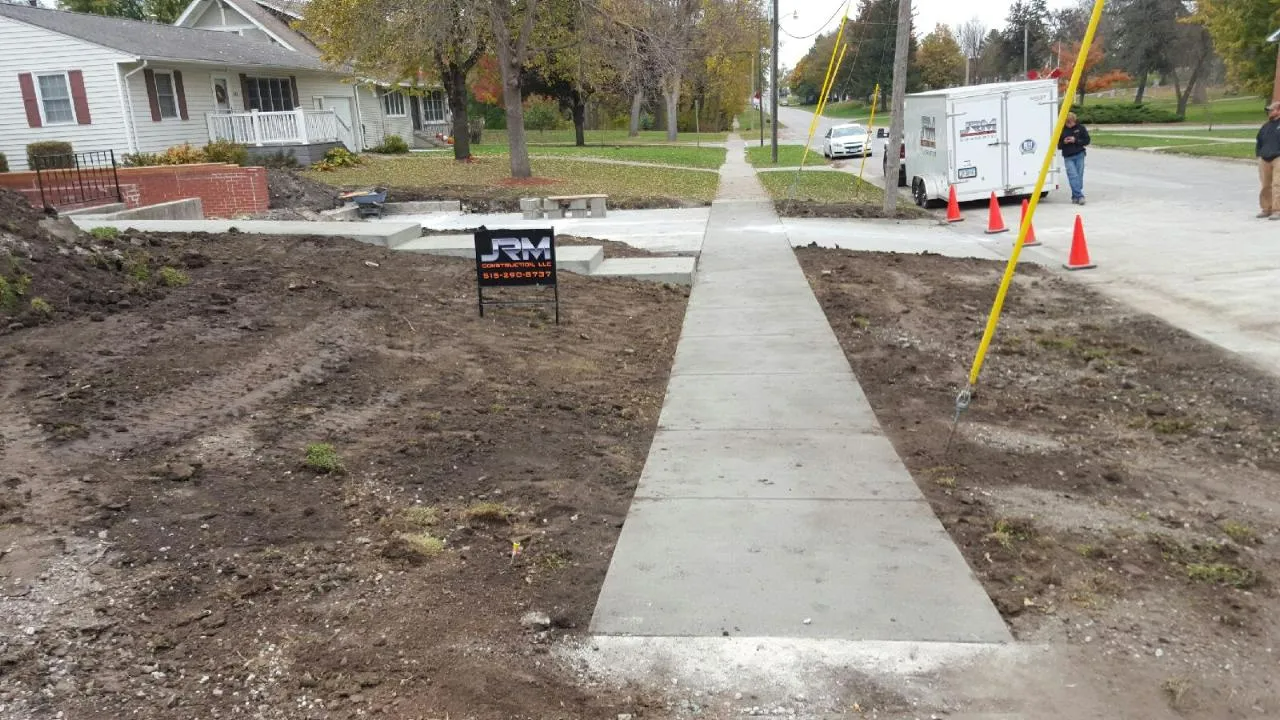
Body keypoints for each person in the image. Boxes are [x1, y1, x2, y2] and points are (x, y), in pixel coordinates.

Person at [1059, 112, 1091, 206]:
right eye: (1067, 122)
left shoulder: (1080, 128)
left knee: (1079, 177)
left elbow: (1087, 140)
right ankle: (1080, 196)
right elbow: (1058, 145)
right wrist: (1064, 142)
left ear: (1074, 120)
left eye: (1070, 122)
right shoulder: (1061, 130)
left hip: (1079, 154)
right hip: (1068, 156)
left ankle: (1075, 196)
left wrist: (1075, 140)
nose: (1069, 124)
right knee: (1073, 176)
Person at [1255, 101, 1280, 219]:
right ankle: (1266, 208)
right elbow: (1259, 140)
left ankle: (1277, 210)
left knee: (1277, 184)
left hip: (1278, 158)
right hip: (1264, 158)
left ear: (1278, 111)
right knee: (1265, 185)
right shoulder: (1266, 125)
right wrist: (1259, 154)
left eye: (1271, 110)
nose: (1269, 112)